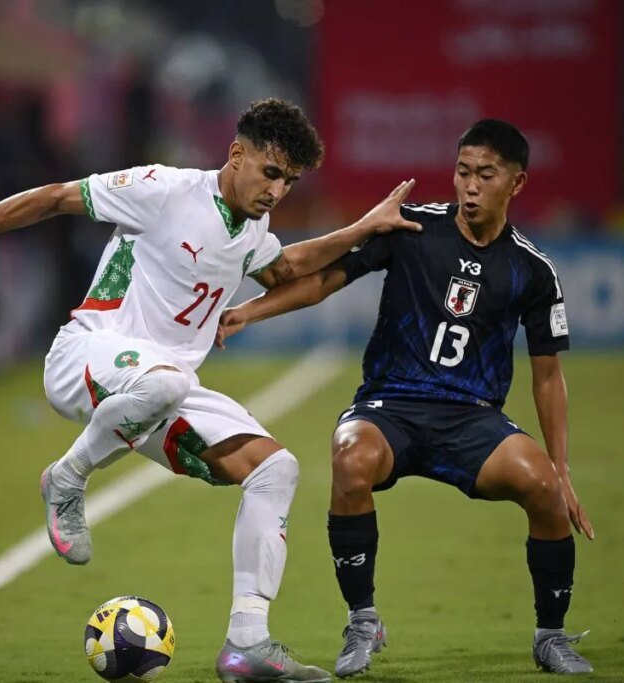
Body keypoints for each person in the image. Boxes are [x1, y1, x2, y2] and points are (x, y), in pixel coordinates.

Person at [0, 98, 421, 683]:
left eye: (290, 181)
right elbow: (54, 197)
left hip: (160, 389)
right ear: (237, 153)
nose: (277, 191)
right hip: (88, 353)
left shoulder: (254, 229)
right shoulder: (163, 187)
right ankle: (68, 477)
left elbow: (288, 268)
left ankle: (247, 644)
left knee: (275, 468)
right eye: (271, 172)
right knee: (169, 383)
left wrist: (363, 228)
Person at [217, 119, 596, 677]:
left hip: (473, 419)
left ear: (515, 184)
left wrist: (562, 469)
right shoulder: (412, 228)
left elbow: (547, 375)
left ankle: (551, 635)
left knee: (543, 487)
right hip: (389, 406)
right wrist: (249, 310)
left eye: (485, 175)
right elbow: (327, 280)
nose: (469, 186)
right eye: (463, 171)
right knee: (351, 456)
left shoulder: (533, 271)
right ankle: (363, 621)